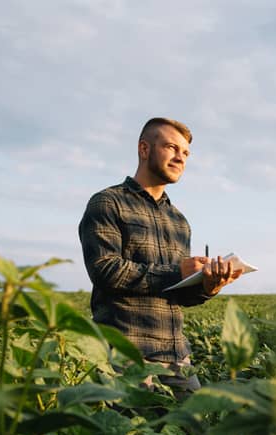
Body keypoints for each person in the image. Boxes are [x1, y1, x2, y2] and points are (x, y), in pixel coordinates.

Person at [78, 117, 243, 399]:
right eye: (171, 147)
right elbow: (106, 270)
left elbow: (177, 294)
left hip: (177, 357)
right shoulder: (108, 202)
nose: (181, 158)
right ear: (144, 149)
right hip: (125, 356)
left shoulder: (179, 221)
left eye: (186, 153)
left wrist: (207, 286)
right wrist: (177, 270)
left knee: (195, 427)